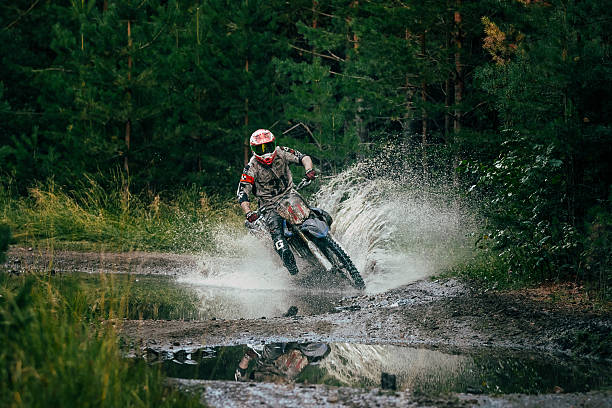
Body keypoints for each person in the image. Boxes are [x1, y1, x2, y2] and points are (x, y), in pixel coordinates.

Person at [236, 128, 316, 275]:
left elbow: (303, 157)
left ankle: (328, 238)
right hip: (269, 206)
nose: (265, 151)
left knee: (314, 214)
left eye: (267, 146)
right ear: (254, 150)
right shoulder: (251, 167)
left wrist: (309, 170)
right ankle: (292, 269)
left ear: (273, 144)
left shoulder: (281, 151)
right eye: (260, 148)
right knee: (278, 238)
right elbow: (242, 193)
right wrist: (248, 212)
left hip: (290, 195)